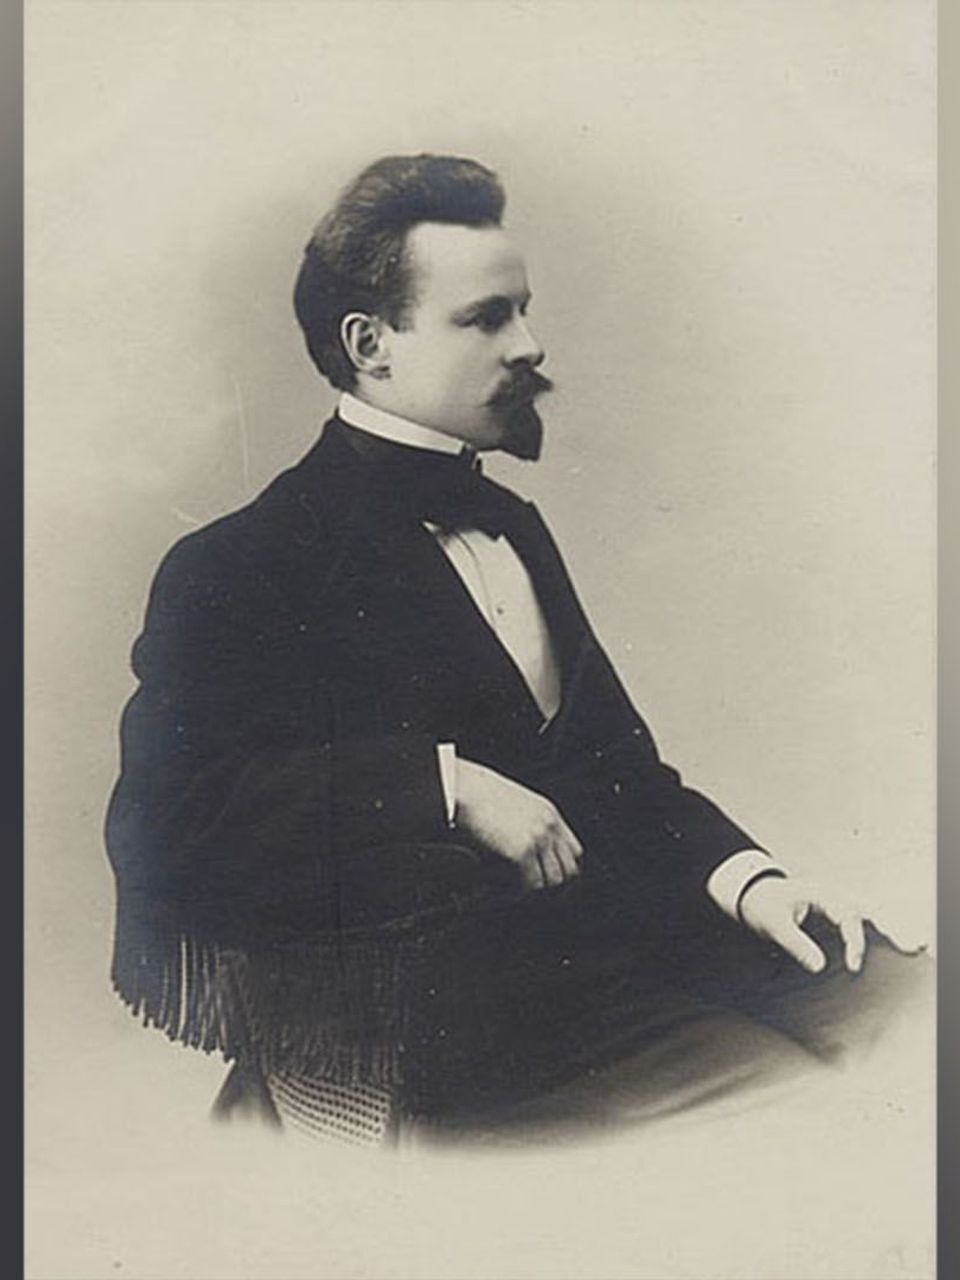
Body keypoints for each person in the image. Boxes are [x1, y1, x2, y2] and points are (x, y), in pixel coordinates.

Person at [105, 154, 925, 1146]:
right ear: (370, 344)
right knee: (804, 1117)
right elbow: (171, 825)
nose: (529, 345)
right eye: (486, 318)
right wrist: (443, 786)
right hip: (461, 1024)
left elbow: (620, 775)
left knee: (902, 1002)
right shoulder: (242, 562)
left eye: (523, 312)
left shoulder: (514, 526)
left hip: (627, 944)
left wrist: (752, 881)